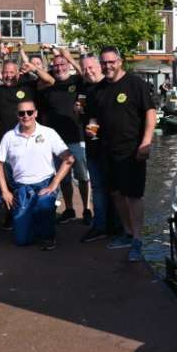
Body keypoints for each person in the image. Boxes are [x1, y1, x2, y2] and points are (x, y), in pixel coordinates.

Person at [87, 46, 156, 262]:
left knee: (133, 196)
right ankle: (127, 232)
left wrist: (146, 143)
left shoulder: (136, 84)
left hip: (132, 151)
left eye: (111, 62)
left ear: (120, 61)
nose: (108, 66)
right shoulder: (98, 90)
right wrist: (92, 129)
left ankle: (137, 239)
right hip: (107, 151)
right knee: (116, 194)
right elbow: (93, 118)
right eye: (104, 63)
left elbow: (150, 113)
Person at [0, 99, 74, 250]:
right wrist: (5, 191)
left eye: (29, 112)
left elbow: (69, 159)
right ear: (17, 115)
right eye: (22, 113)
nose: (26, 116)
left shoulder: (48, 133)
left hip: (45, 184)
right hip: (22, 188)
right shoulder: (9, 136)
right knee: (21, 240)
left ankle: (48, 236)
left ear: (36, 113)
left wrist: (54, 184)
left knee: (44, 203)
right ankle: (36, 223)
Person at [39, 47, 91, 225]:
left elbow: (85, 75)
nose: (59, 68)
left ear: (68, 65)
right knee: (65, 179)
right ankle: (69, 209)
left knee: (83, 176)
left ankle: (86, 209)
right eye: (56, 65)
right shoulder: (48, 85)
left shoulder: (77, 81)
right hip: (57, 141)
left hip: (77, 136)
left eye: (62, 64)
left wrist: (70, 57)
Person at [77, 53, 110, 243]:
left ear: (99, 66)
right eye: (84, 68)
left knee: (114, 189)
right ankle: (100, 226)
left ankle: (116, 226)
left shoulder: (109, 85)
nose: (88, 71)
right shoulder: (84, 88)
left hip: (110, 146)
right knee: (97, 187)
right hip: (93, 146)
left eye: (91, 67)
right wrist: (78, 110)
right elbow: (82, 110)